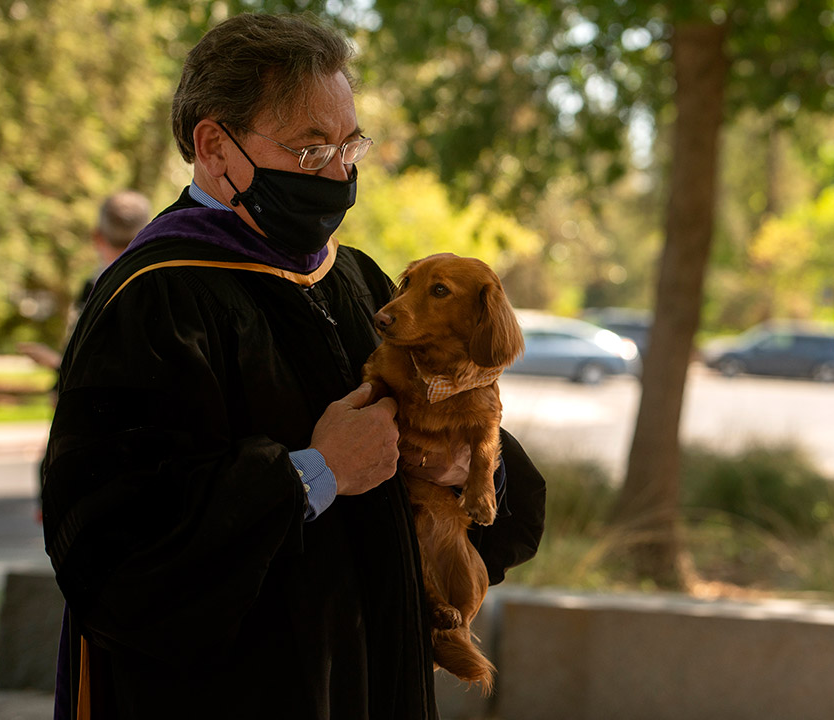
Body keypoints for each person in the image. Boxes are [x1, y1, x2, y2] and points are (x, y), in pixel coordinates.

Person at [40, 13, 545, 720]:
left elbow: (480, 454)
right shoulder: (155, 299)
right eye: (312, 151)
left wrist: (462, 465)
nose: (340, 173)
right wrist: (313, 475)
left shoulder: (362, 282)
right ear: (216, 146)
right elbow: (109, 544)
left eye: (350, 144)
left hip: (371, 680)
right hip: (235, 693)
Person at [17, 190, 152, 373]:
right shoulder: (164, 285)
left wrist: (56, 364)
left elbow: (89, 365)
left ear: (97, 237)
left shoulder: (94, 289)